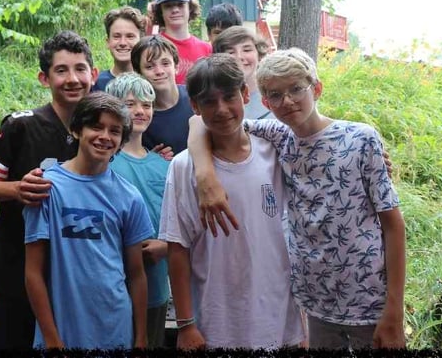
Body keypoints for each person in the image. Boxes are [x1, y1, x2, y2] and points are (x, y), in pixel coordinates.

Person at [188, 48, 406, 350]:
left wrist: (394, 308)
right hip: (315, 304)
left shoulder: (360, 139)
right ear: (265, 102)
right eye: (275, 95)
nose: (287, 101)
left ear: (316, 88)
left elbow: (394, 225)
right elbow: (199, 122)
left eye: (296, 89)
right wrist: (204, 173)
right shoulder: (280, 138)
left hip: (371, 302)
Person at [159, 54, 306, 350]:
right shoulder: (184, 166)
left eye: (229, 97)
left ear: (245, 94)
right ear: (195, 107)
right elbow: (177, 247)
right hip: (216, 320)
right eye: (209, 102)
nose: (222, 109)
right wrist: (186, 324)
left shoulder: (275, 152)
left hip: (279, 316)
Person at [0, 30, 98, 350]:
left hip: (75, 274)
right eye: (61, 70)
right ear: (44, 78)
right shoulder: (21, 126)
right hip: (16, 269)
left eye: (80, 69)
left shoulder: (101, 132)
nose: (72, 79)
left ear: (93, 74)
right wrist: (16, 189)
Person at [23, 92, 154, 350]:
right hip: (62, 332)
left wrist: (141, 338)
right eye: (96, 126)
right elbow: (33, 273)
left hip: (116, 329)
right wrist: (51, 339)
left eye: (114, 131)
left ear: (121, 141)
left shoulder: (129, 196)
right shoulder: (45, 188)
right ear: (76, 130)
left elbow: (136, 274)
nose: (105, 136)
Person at [104, 72, 171, 348]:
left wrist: (166, 246)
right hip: (113, 286)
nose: (140, 111)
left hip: (155, 287)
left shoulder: (164, 165)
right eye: (130, 104)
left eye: (147, 104)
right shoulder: (105, 161)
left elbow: (179, 221)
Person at [131, 35, 195, 155]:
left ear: (176, 66)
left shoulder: (196, 96)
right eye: (150, 66)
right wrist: (150, 159)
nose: (159, 71)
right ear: (139, 73)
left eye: (165, 64)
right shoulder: (140, 116)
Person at [152, 0, 212, 85]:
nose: (175, 10)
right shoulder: (151, 48)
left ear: (190, 7)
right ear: (160, 11)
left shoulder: (207, 49)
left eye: (180, 4)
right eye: (168, 6)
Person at [212, 25, 272, 120]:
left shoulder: (275, 94)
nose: (239, 57)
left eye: (247, 50)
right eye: (230, 52)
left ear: (259, 54)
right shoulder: (212, 99)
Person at [93, 6, 146, 92]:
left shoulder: (150, 81)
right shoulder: (96, 83)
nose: (123, 43)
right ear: (108, 42)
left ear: (141, 41)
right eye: (116, 36)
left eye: (130, 36)